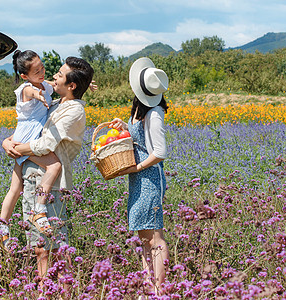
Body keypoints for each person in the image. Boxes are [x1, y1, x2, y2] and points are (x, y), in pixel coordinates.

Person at [2, 56, 94, 280]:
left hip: (50, 186)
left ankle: (64, 291)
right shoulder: (55, 104)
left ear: (71, 85)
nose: (54, 76)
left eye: (60, 75)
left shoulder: (73, 111)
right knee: (40, 247)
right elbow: (30, 129)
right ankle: (48, 291)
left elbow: (44, 145)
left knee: (55, 246)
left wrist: (18, 149)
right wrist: (7, 141)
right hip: (33, 179)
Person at [109, 57, 170, 296]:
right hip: (139, 179)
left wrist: (136, 168)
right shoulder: (141, 110)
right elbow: (141, 141)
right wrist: (125, 127)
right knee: (144, 237)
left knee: (155, 236)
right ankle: (148, 286)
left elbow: (160, 152)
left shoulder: (154, 114)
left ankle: (160, 290)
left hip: (150, 179)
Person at [0, 50, 62, 249]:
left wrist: (83, 84)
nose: (42, 73)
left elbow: (57, 85)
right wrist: (39, 95)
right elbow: (32, 92)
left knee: (15, 188)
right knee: (54, 166)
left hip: (22, 136)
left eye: (42, 68)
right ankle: (39, 210)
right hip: (27, 138)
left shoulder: (44, 84)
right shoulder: (26, 88)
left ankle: (1, 228)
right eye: (36, 71)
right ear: (24, 76)